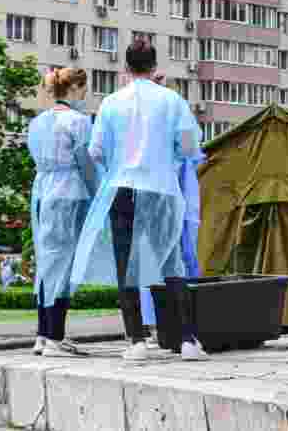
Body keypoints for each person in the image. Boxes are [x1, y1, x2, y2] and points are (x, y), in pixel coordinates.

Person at [70, 38, 206, 361]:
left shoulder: (111, 103)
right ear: (154, 66)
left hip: (123, 188)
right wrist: (167, 155)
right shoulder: (173, 101)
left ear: (125, 68)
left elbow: (96, 151)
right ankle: (187, 340)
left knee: (125, 264)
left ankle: (136, 341)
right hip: (161, 188)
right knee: (172, 262)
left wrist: (121, 160)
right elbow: (188, 147)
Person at [28, 68, 96, 358]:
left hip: (42, 190)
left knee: (46, 263)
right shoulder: (79, 122)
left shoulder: (37, 122)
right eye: (84, 89)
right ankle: (54, 336)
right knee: (64, 264)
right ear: (75, 88)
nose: (85, 96)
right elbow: (87, 163)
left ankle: (44, 335)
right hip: (68, 192)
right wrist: (99, 195)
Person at [139, 72, 206, 344]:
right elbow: (191, 150)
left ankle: (155, 326)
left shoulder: (141, 125)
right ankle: (182, 326)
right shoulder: (172, 117)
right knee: (178, 260)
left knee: (152, 261)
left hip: (151, 198)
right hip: (174, 199)